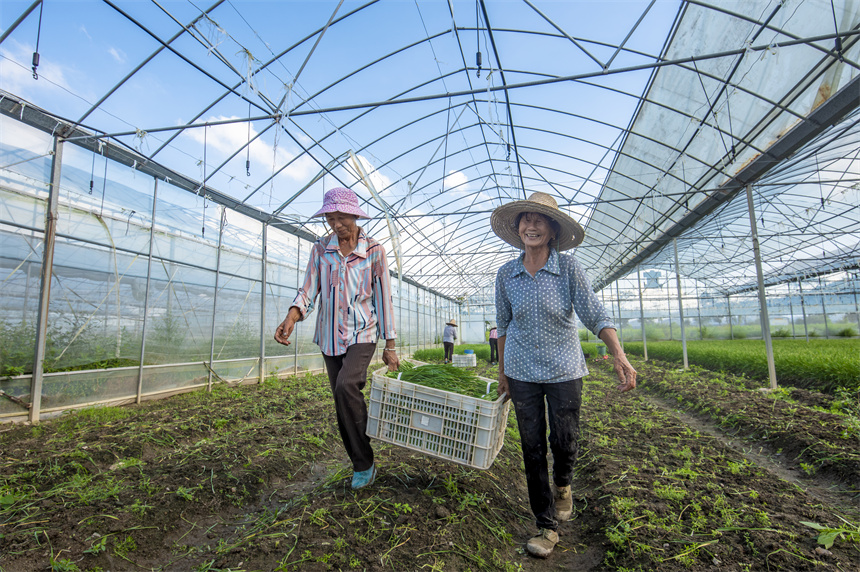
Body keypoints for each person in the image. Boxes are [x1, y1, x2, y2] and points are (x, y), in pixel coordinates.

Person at [491, 192, 636, 558]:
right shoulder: (506, 274)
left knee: (564, 440)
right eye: (526, 219)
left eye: (540, 220)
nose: (531, 225)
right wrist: (503, 371)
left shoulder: (568, 268)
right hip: (522, 370)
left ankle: (564, 483)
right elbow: (503, 326)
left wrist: (617, 352)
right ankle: (545, 525)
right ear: (518, 227)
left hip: (564, 369)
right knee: (532, 446)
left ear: (553, 230)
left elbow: (594, 312)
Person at [274, 187, 399, 490]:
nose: (336, 223)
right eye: (330, 217)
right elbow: (308, 290)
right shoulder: (321, 250)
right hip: (329, 336)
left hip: (362, 333)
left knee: (346, 386)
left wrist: (390, 344)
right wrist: (291, 316)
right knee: (342, 400)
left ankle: (364, 457)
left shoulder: (374, 251)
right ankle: (362, 463)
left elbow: (383, 299)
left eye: (341, 217)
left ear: (355, 215)